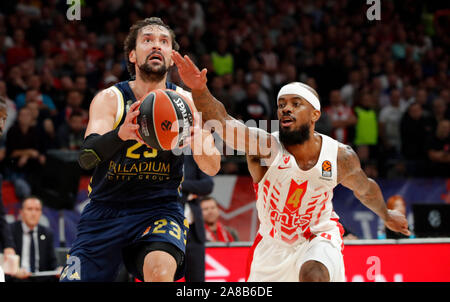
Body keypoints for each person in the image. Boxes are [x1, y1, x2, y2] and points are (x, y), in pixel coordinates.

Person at [172, 52, 410, 282]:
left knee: (314, 274)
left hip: (318, 235)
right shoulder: (264, 147)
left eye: (296, 104)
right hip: (272, 246)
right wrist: (199, 88)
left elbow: (365, 189)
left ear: (315, 114)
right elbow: (223, 123)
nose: (286, 108)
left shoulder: (339, 156)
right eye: (282, 104)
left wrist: (386, 215)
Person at [59, 17, 221, 282]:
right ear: (132, 55)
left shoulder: (188, 102)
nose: (156, 45)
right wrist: (121, 134)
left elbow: (212, 167)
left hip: (159, 210)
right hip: (105, 211)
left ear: (172, 58)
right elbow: (86, 159)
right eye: (147, 40)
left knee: (159, 272)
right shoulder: (110, 99)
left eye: (164, 41)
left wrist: (199, 141)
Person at [8, 196, 58, 282]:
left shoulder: (47, 233)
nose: (33, 213)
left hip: (41, 279)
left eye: (37, 209)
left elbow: (52, 263)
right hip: (16, 278)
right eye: (29, 209)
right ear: (21, 212)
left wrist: (58, 269)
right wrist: (15, 271)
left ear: (41, 213)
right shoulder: (10, 230)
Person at [182, 154, 214, 282]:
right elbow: (161, 187)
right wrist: (189, 193)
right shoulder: (160, 155)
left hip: (194, 232)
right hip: (167, 230)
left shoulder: (192, 155)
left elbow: (207, 185)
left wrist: (181, 185)